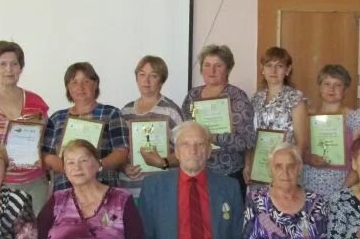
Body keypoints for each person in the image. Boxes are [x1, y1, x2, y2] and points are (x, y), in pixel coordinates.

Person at [0, 40, 50, 213]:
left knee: (34, 237)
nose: (9, 69)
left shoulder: (36, 102)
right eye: (2, 64)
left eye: (14, 64)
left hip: (35, 186)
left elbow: (46, 142)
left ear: (21, 68)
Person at [42, 62, 129, 192]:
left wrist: (97, 165)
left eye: (86, 81)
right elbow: (44, 155)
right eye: (74, 82)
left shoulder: (111, 114)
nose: (80, 87)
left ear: (95, 84)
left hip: (104, 189)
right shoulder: (56, 118)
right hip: (65, 191)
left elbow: (122, 152)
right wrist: (63, 165)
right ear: (68, 87)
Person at [180, 44, 254, 197]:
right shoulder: (192, 96)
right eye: (207, 65)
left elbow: (247, 140)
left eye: (218, 66)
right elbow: (183, 132)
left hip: (228, 174)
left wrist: (214, 138)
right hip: (195, 172)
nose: (211, 71)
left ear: (228, 69)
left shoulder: (237, 97)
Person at [119, 55, 184, 197]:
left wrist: (163, 162)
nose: (146, 81)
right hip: (129, 190)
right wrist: (123, 166)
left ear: (161, 80)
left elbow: (185, 150)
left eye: (153, 76)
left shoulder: (170, 110)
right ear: (136, 78)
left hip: (161, 190)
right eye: (142, 74)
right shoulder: (125, 111)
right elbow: (120, 150)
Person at [244, 46, 309, 186]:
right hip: (258, 171)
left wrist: (285, 170)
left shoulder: (295, 98)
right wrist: (248, 164)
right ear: (262, 69)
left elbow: (302, 143)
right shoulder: (255, 98)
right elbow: (250, 137)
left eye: (279, 66)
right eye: (269, 65)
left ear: (288, 70)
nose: (273, 71)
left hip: (285, 173)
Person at [302, 65, 360, 197]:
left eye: (338, 85)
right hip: (308, 187)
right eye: (327, 84)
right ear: (320, 88)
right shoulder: (306, 116)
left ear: (345, 90)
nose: (331, 89)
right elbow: (298, 150)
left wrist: (342, 191)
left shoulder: (356, 119)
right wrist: (308, 158)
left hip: (343, 187)